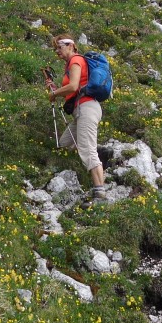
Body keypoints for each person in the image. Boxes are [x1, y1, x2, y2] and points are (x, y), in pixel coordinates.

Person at [46, 35, 107, 204]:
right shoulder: (72, 64)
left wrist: (54, 94)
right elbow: (73, 89)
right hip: (81, 110)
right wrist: (56, 89)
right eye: (55, 49)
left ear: (71, 46)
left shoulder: (75, 61)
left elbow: (73, 86)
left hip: (86, 108)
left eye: (59, 47)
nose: (57, 51)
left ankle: (100, 192)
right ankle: (98, 163)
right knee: (65, 143)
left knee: (87, 149)